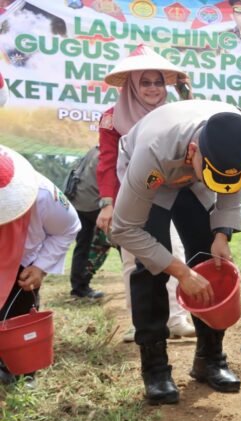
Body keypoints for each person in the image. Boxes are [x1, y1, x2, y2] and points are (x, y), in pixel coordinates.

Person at [110, 99, 241, 405]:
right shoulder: (151, 155)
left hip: (197, 179)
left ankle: (209, 359)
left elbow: (230, 188)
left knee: (209, 259)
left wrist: (222, 234)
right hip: (157, 176)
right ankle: (155, 370)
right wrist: (180, 271)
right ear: (194, 151)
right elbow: (124, 228)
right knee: (151, 266)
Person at [95, 45, 196, 342]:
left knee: (174, 252)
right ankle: (140, 322)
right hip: (131, 194)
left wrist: (186, 95)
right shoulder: (112, 118)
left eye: (157, 82)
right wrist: (108, 204)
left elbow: (198, 132)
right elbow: (107, 162)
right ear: (131, 86)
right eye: (145, 82)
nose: (152, 89)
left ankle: (177, 319)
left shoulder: (176, 112)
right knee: (134, 259)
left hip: (171, 192)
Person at [0, 145, 80, 386]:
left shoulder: (43, 194)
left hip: (22, 263)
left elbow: (68, 229)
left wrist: (41, 267)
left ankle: (24, 372)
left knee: (18, 313)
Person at [66, 145, 110, 299]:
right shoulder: (109, 153)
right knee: (121, 241)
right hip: (94, 203)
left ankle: (79, 288)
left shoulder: (93, 150)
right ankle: (136, 281)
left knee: (83, 245)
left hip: (78, 202)